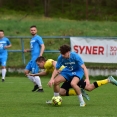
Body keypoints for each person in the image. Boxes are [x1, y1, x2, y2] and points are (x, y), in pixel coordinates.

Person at [47, 44, 117, 107]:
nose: (62, 55)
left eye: (64, 54)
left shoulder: (75, 56)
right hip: (68, 71)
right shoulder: (61, 58)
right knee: (57, 83)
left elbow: (84, 67)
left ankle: (82, 102)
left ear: (68, 52)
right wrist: (52, 79)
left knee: (78, 85)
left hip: (77, 72)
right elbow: (56, 69)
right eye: (61, 53)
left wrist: (87, 79)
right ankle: (55, 99)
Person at [24, 25, 45, 92]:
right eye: (31, 30)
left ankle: (40, 88)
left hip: (36, 58)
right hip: (32, 58)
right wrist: (28, 50)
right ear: (30, 31)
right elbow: (34, 49)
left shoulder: (38, 37)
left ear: (36, 31)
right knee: (26, 72)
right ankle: (36, 84)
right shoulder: (32, 39)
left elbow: (43, 46)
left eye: (34, 30)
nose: (33, 31)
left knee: (35, 73)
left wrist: (40, 55)